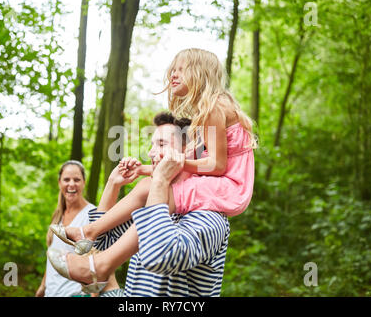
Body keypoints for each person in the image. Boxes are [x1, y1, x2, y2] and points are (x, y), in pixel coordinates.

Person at [51, 48, 256, 254]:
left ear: (199, 73)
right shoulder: (209, 109)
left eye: (181, 69)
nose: (173, 74)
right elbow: (191, 166)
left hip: (231, 187)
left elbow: (217, 166)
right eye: (172, 69)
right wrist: (142, 169)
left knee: (152, 190)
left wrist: (177, 162)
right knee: (148, 184)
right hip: (224, 182)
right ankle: (91, 234)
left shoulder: (214, 108)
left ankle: (98, 250)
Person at [47, 112, 228, 296]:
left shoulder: (210, 217)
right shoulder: (148, 203)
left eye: (161, 144)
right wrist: (112, 185)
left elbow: (160, 256)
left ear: (190, 150)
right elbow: (99, 243)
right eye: (152, 145)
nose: (150, 153)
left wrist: (158, 182)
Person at [36, 160, 130, 297]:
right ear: (59, 182)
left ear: (84, 183)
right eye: (66, 179)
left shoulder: (91, 216)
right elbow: (54, 255)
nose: (71, 184)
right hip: (51, 292)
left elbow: (98, 259)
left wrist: (94, 295)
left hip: (75, 294)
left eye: (77, 179)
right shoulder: (57, 216)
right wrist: (42, 287)